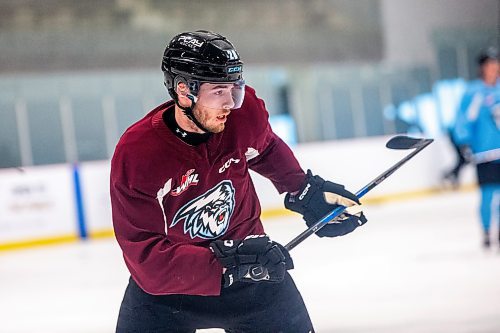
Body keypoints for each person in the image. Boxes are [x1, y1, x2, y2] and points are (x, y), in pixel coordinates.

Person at [110, 30, 367, 332]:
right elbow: (148, 257)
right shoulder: (139, 153)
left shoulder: (242, 115)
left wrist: (302, 190)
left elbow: (264, 147)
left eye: (235, 88)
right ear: (183, 90)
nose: (231, 102)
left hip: (254, 278)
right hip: (169, 293)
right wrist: (230, 260)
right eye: (218, 91)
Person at [453, 46, 500, 248]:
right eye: (489, 64)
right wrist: (463, 143)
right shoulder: (473, 93)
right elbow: (463, 121)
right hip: (484, 153)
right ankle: (487, 232)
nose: (493, 68)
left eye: (495, 63)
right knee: (488, 195)